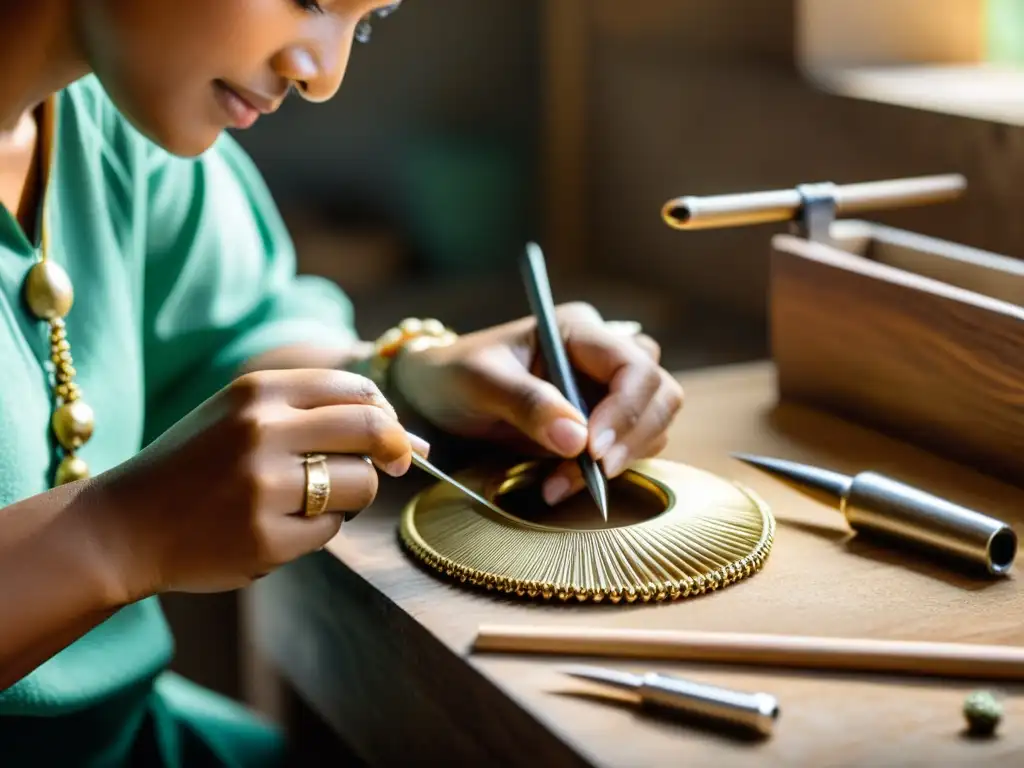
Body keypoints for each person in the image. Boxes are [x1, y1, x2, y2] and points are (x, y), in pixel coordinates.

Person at [0, 1, 686, 765]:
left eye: (363, 22)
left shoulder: (109, 127)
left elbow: (224, 337)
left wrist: (412, 377)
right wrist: (115, 536)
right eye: (310, 0)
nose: (322, 75)